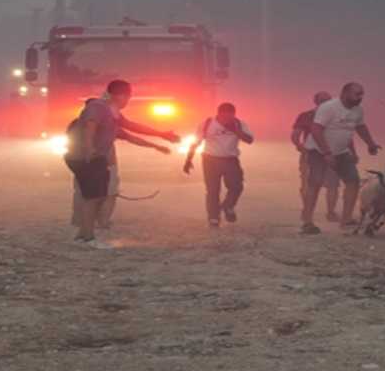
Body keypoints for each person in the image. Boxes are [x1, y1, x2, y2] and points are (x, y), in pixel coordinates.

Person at [66, 80, 180, 248]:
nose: (128, 100)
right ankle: (87, 238)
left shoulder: (111, 113)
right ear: (119, 96)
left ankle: (83, 235)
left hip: (93, 157)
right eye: (128, 96)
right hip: (86, 157)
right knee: (94, 197)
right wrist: (89, 147)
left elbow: (132, 130)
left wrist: (160, 137)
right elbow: (90, 124)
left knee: (97, 197)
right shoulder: (99, 106)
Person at [302, 82, 382, 233]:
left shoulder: (358, 110)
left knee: (353, 181)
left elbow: (360, 127)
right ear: (345, 93)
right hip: (318, 150)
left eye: (362, 94)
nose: (360, 97)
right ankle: (307, 221)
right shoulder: (328, 107)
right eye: (356, 94)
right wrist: (327, 153)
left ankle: (346, 219)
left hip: (341, 151)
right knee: (315, 183)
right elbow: (316, 129)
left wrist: (371, 143)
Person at [184, 103, 254, 227]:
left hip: (231, 159)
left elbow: (249, 140)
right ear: (218, 113)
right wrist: (188, 160)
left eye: (230, 116)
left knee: (237, 187)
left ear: (234, 114)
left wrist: (236, 130)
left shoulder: (239, 123)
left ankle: (228, 205)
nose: (227, 119)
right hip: (210, 159)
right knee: (213, 190)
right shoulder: (206, 123)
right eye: (224, 116)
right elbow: (196, 142)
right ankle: (213, 217)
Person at [291, 91, 342, 221]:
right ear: (316, 102)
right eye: (323, 101)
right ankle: (306, 210)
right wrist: (299, 145)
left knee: (332, 184)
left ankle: (330, 212)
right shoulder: (306, 116)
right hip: (311, 153)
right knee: (308, 184)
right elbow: (295, 134)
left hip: (331, 153)